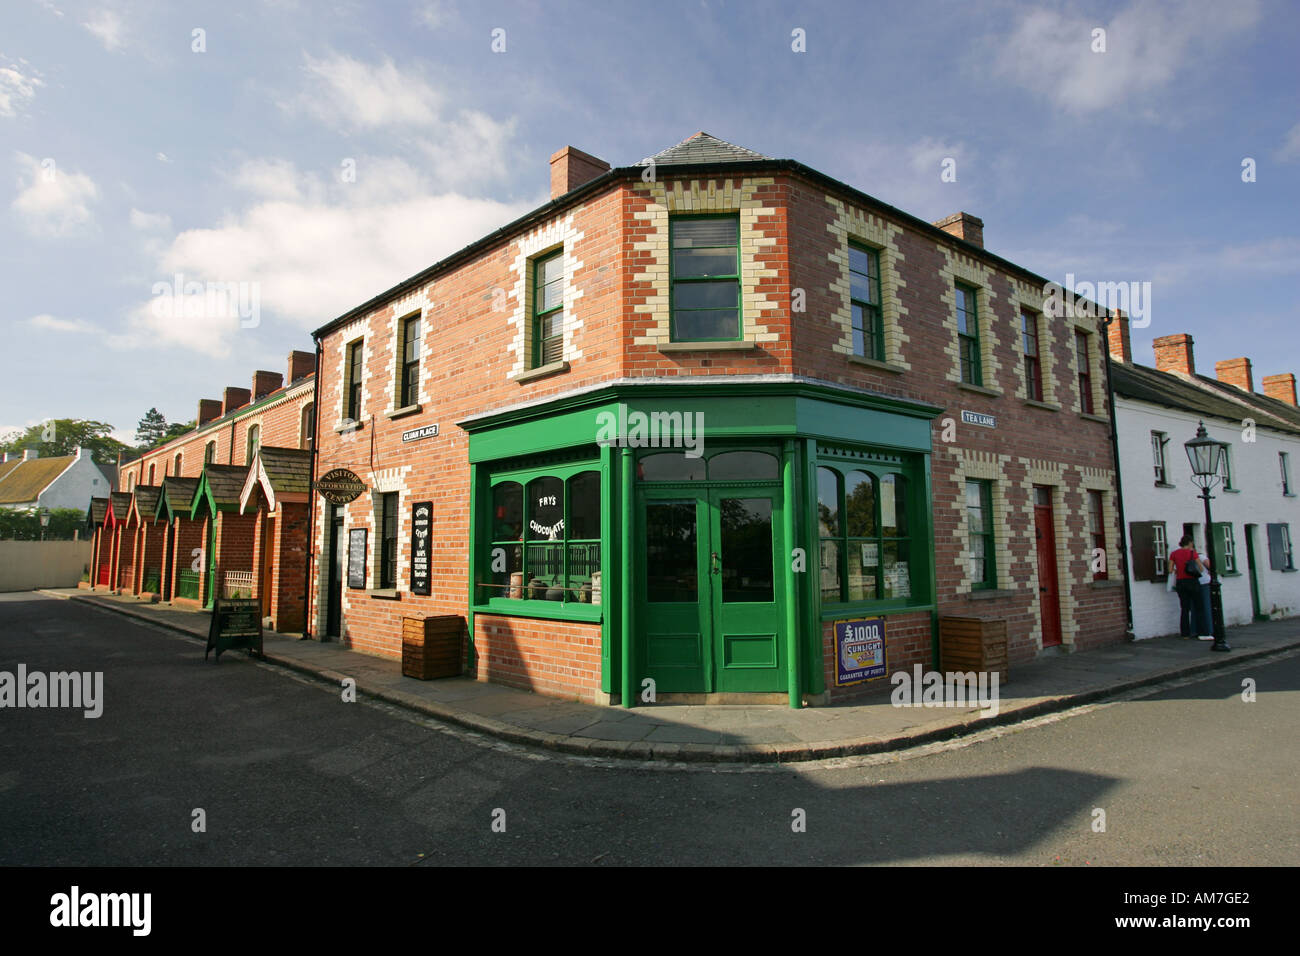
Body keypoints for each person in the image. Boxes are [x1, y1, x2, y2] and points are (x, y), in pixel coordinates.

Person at [1167, 535, 1205, 638]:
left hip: (1181, 582)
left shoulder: (1174, 554)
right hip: (1192, 581)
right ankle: (1201, 632)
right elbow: (1201, 568)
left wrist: (1178, 570)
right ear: (1189, 543)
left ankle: (1185, 634)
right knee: (1199, 607)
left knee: (1184, 608)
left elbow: (1170, 570)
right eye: (1192, 542)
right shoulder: (1193, 553)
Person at [1195, 547, 1214, 640]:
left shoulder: (1188, 557)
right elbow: (1211, 566)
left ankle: (1195, 630)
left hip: (1194, 583)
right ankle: (1209, 630)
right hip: (1204, 583)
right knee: (1207, 607)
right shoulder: (1200, 556)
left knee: (1196, 608)